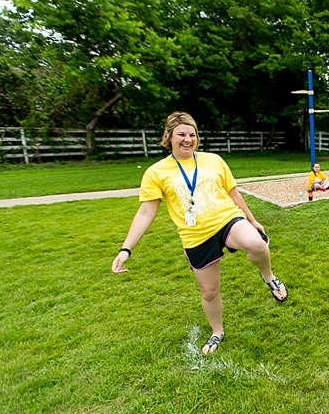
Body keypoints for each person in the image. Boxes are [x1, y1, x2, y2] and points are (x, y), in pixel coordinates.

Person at [111, 112, 288, 355]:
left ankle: (268, 277)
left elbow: (233, 193)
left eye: (192, 134)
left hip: (226, 218)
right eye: (181, 134)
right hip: (195, 236)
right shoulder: (156, 172)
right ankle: (217, 332)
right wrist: (126, 248)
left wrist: (253, 220)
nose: (188, 139)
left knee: (257, 244)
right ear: (169, 136)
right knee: (209, 291)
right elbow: (145, 213)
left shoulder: (213, 160)